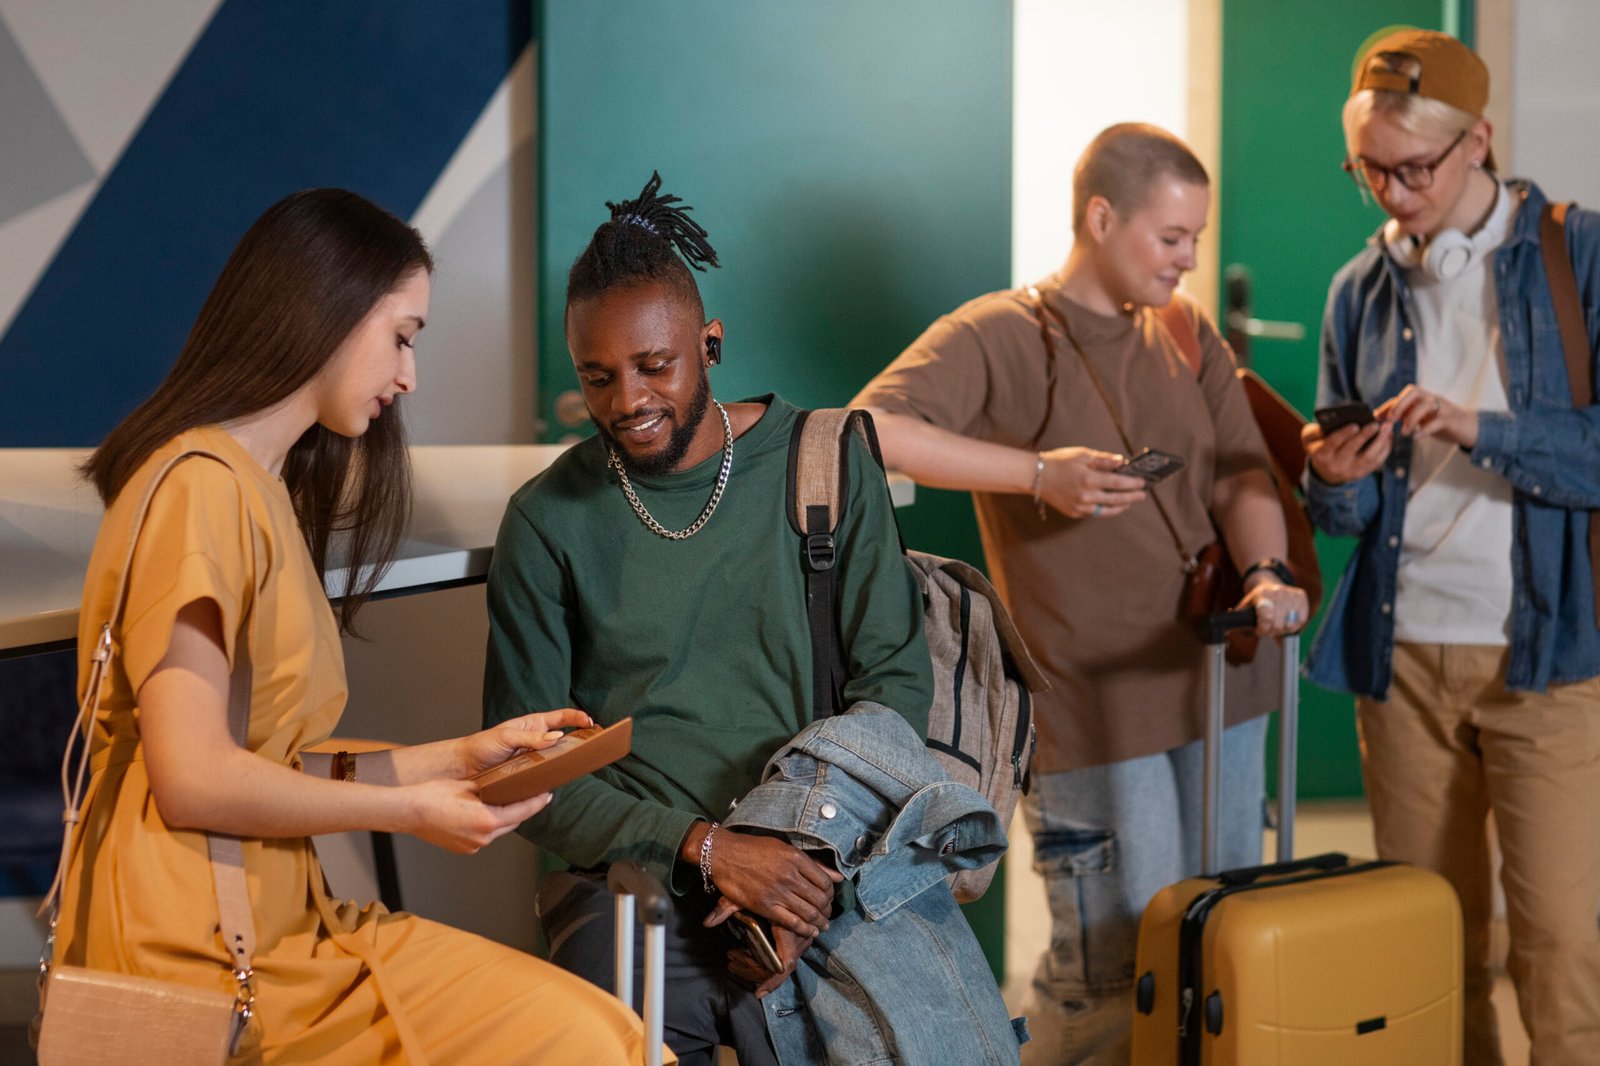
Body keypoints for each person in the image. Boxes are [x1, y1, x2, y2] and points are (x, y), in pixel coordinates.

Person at [54, 188, 663, 1065]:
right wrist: (412, 810)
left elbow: (260, 758)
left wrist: (456, 760)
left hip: (290, 934)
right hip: (204, 959)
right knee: (589, 1043)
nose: (409, 375)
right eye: (403, 335)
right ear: (325, 311)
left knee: (600, 1036)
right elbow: (190, 777)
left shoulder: (251, 490)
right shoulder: (199, 487)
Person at [852, 124, 1309, 1065]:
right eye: (1170, 237)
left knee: (1224, 955)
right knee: (1114, 980)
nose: (1190, 259)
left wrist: (1267, 571)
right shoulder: (1000, 334)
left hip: (1220, 685)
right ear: (1101, 217)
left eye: (1196, 237)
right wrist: (1034, 474)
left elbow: (1241, 476)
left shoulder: (1186, 333)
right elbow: (868, 428)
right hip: (1095, 708)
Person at [483, 174, 946, 1066]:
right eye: (597, 377)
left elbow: (894, 688)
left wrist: (791, 859)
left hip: (824, 863)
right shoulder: (547, 520)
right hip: (636, 881)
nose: (628, 401)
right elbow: (525, 773)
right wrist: (706, 850)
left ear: (711, 343)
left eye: (656, 365)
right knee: (608, 1044)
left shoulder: (826, 466)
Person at [1304, 29, 1600, 1066]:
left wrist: (1479, 427)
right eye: (1368, 169)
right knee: (1435, 942)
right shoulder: (1359, 289)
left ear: (1477, 140)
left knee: (1560, 944)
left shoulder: (1580, 255)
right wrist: (1331, 482)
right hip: (1403, 659)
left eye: (1412, 167)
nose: (1390, 192)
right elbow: (1343, 520)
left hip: (1548, 661)